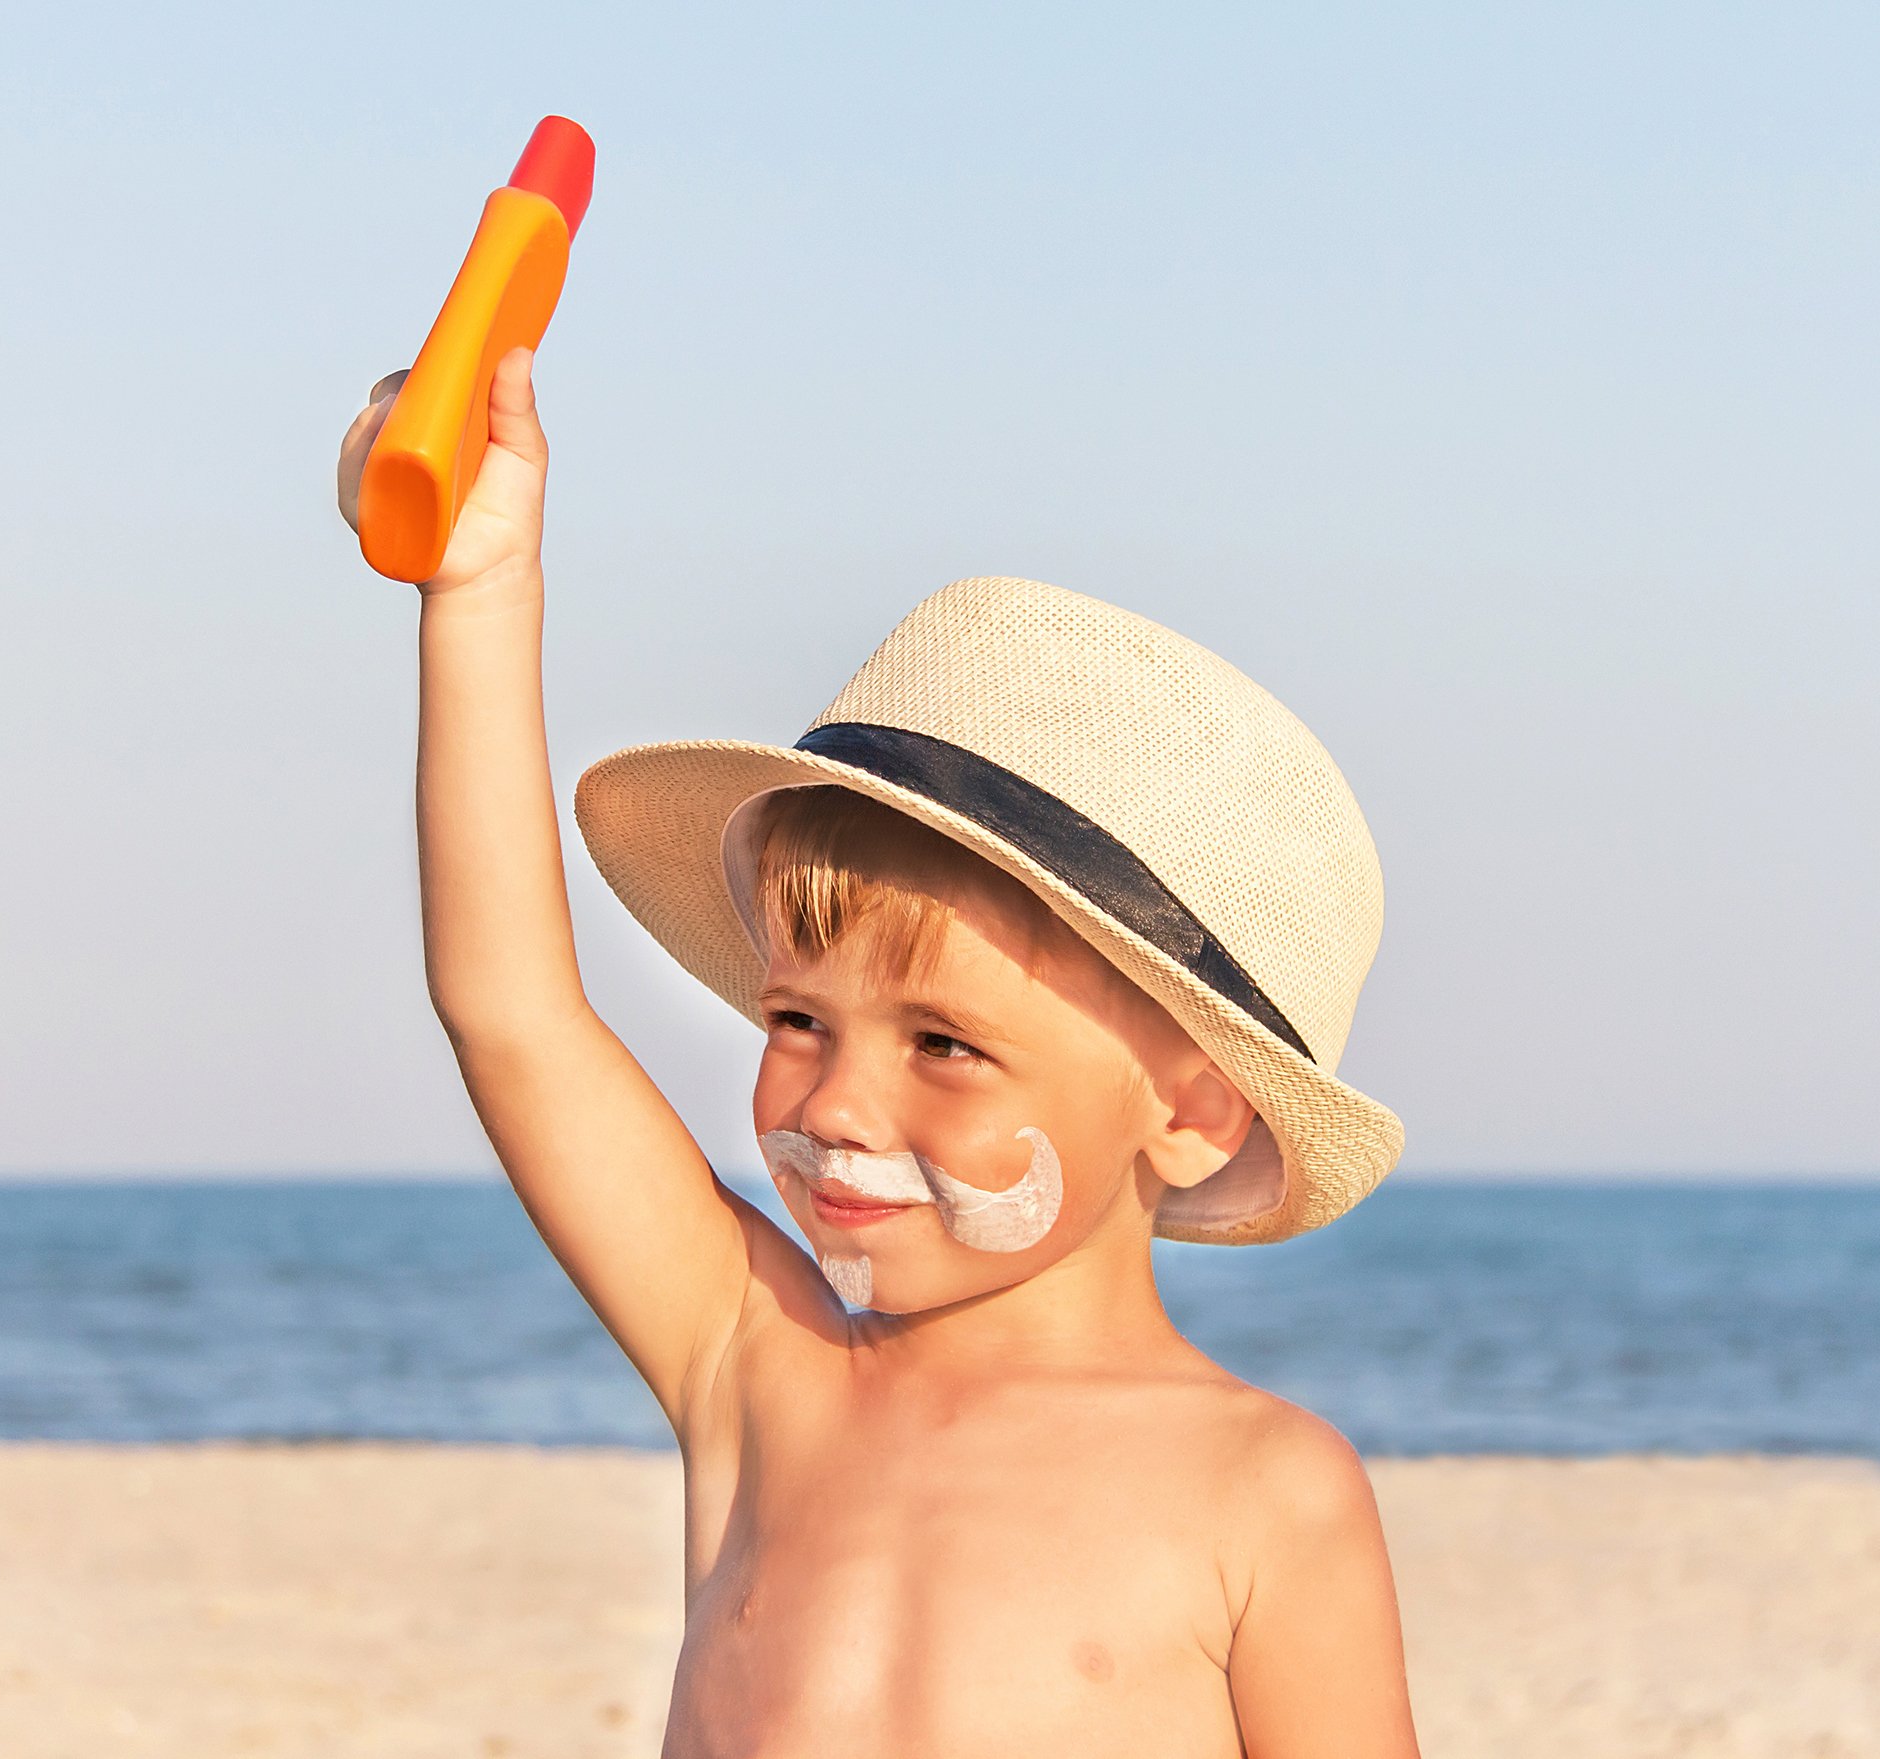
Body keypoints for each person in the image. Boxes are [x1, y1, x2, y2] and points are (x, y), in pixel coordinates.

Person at [337, 350, 1421, 1757]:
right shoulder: (757, 1364)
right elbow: (513, 1013)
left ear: (1196, 1113)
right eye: (799, 1020)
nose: (838, 1103)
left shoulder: (1264, 1493)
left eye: (947, 1045)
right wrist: (478, 593)